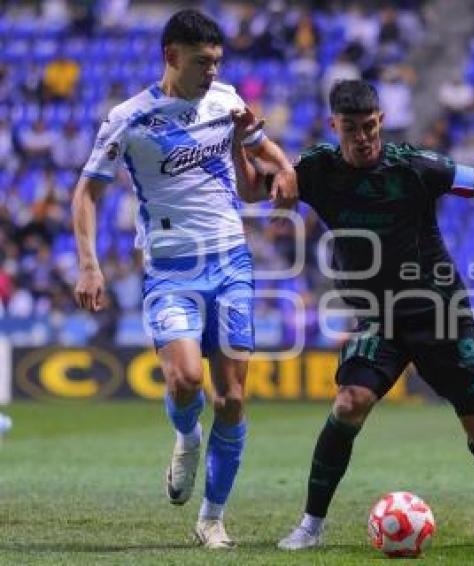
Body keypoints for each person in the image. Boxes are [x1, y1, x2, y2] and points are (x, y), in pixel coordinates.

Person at [236, 80, 474, 550]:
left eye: (370, 126)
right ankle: (310, 524)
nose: (363, 137)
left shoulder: (416, 167)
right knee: (349, 403)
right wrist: (240, 141)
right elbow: (252, 191)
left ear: (381, 121)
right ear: (334, 125)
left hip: (440, 312)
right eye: (352, 128)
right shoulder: (316, 170)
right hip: (378, 318)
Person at [71, 9, 296, 549]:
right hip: (171, 271)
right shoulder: (129, 118)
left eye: (217, 61)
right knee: (186, 380)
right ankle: (186, 435)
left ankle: (212, 519)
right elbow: (86, 193)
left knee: (233, 399)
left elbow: (260, 168)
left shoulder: (227, 101)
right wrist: (89, 264)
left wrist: (284, 170)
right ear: (172, 56)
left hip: (231, 262)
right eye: (202, 62)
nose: (212, 71)